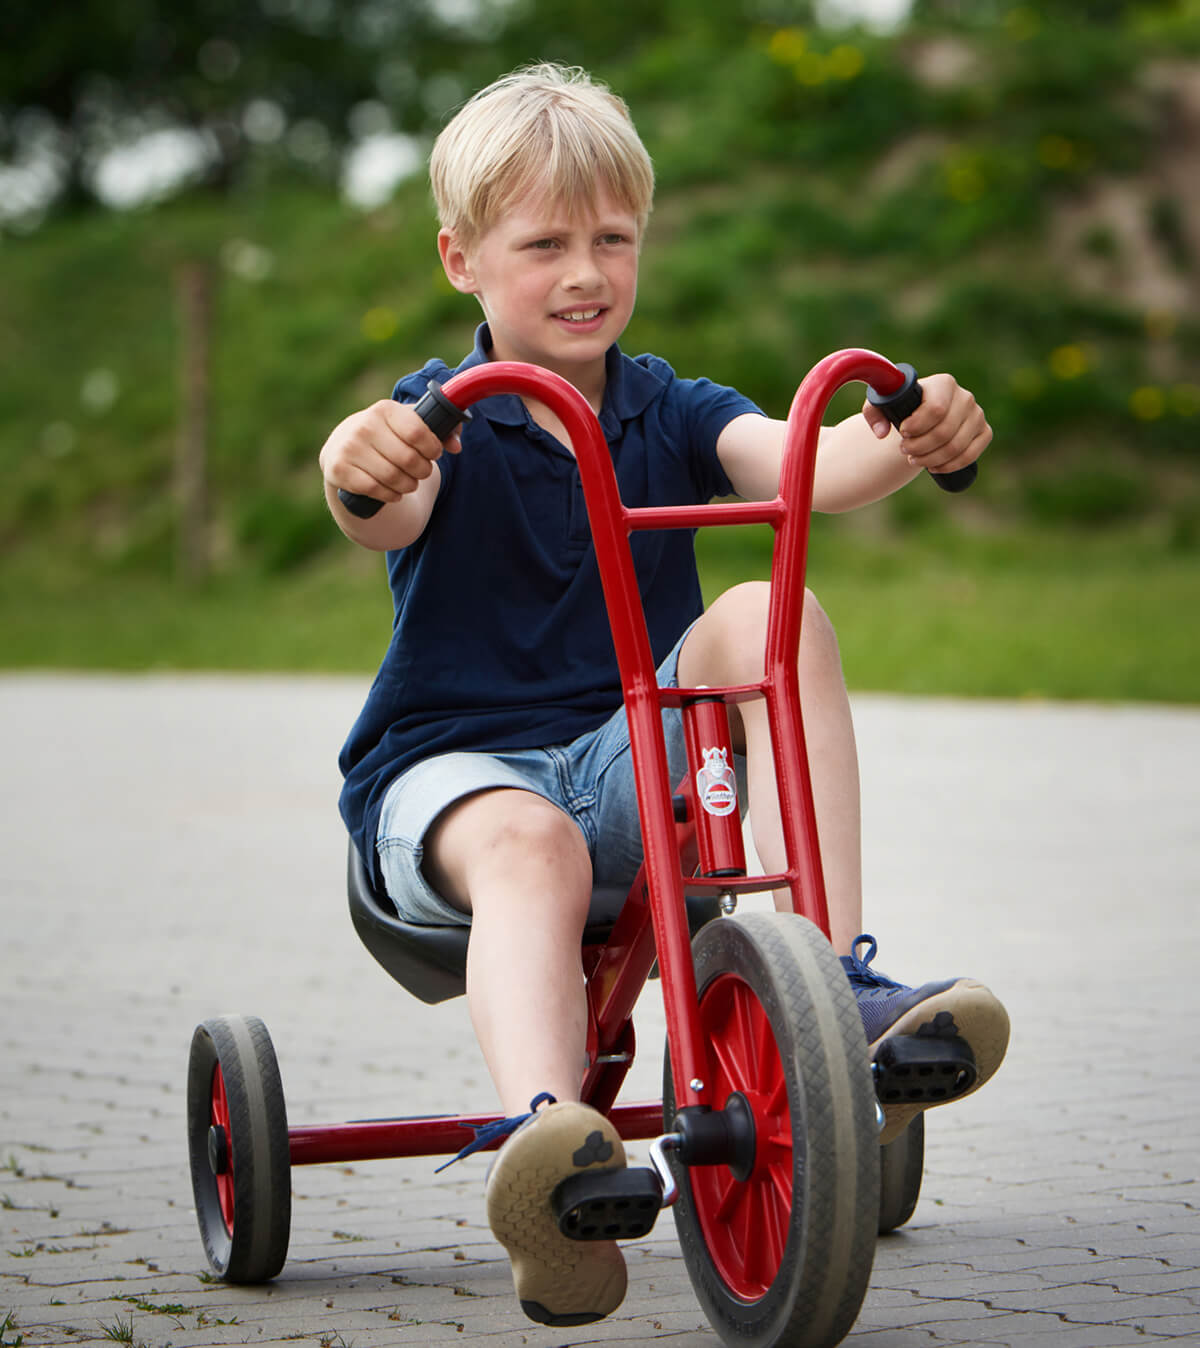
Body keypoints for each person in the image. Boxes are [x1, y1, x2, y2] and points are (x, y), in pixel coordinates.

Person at [320, 63, 1009, 1327]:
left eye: (613, 238)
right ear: (461, 258)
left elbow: (804, 466)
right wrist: (354, 458)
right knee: (531, 844)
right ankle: (556, 1146)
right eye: (545, 243)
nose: (586, 271)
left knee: (768, 609)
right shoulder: (446, 420)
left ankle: (833, 977)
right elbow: (380, 504)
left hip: (629, 751)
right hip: (456, 783)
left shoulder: (672, 408)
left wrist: (906, 435)